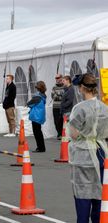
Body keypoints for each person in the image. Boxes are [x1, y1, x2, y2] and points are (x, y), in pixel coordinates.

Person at [68, 73, 108, 223]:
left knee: (82, 191)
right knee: (100, 190)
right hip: (102, 152)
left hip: (83, 153)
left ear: (81, 88)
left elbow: (73, 134)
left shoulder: (79, 108)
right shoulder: (105, 108)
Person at [27, 81, 47, 153]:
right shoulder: (43, 95)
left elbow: (29, 104)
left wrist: (29, 104)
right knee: (39, 132)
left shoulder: (37, 96)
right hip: (40, 115)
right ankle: (42, 147)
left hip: (36, 116)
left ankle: (40, 148)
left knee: (37, 133)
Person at [51, 74, 65, 140]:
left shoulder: (65, 87)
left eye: (58, 78)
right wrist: (60, 95)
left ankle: (62, 134)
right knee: (56, 121)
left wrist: (58, 95)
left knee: (62, 120)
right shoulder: (54, 87)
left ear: (61, 78)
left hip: (62, 106)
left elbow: (64, 97)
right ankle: (59, 134)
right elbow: (53, 97)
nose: (57, 79)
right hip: (55, 107)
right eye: (56, 78)